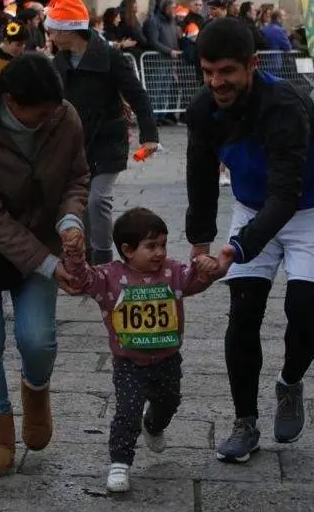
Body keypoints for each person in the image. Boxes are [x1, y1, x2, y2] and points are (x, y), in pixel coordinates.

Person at [183, 17, 314, 463]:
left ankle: (291, 383)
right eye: (208, 71)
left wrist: (235, 249)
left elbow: (286, 195)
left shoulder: (285, 106)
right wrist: (199, 245)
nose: (217, 82)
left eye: (228, 72)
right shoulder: (203, 110)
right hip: (253, 206)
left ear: (252, 65)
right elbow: (199, 177)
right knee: (244, 309)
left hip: (309, 209)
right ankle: (245, 421)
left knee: (304, 311)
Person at [0, 53, 89, 478]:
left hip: (41, 232)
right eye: (37, 114)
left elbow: (77, 177)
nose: (47, 120)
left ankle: (36, 394)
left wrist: (71, 220)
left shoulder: (65, 118)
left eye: (53, 111)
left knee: (37, 339)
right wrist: (47, 264)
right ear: (10, 101)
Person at [64, 208, 221, 491]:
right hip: (129, 363)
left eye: (162, 244)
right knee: (128, 410)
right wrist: (76, 256)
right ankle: (120, 463)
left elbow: (195, 279)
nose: (159, 253)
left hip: (167, 359)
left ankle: (154, 425)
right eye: (150, 246)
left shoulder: (172, 271)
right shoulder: (109, 276)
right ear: (127, 250)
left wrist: (209, 268)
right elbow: (82, 280)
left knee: (169, 402)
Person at [46, 0, 159, 264]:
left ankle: (104, 259)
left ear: (69, 30)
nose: (50, 36)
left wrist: (149, 136)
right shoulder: (58, 62)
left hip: (107, 140)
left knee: (98, 200)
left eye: (54, 31)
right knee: (80, 202)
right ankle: (83, 259)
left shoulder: (109, 57)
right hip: (74, 143)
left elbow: (137, 95)